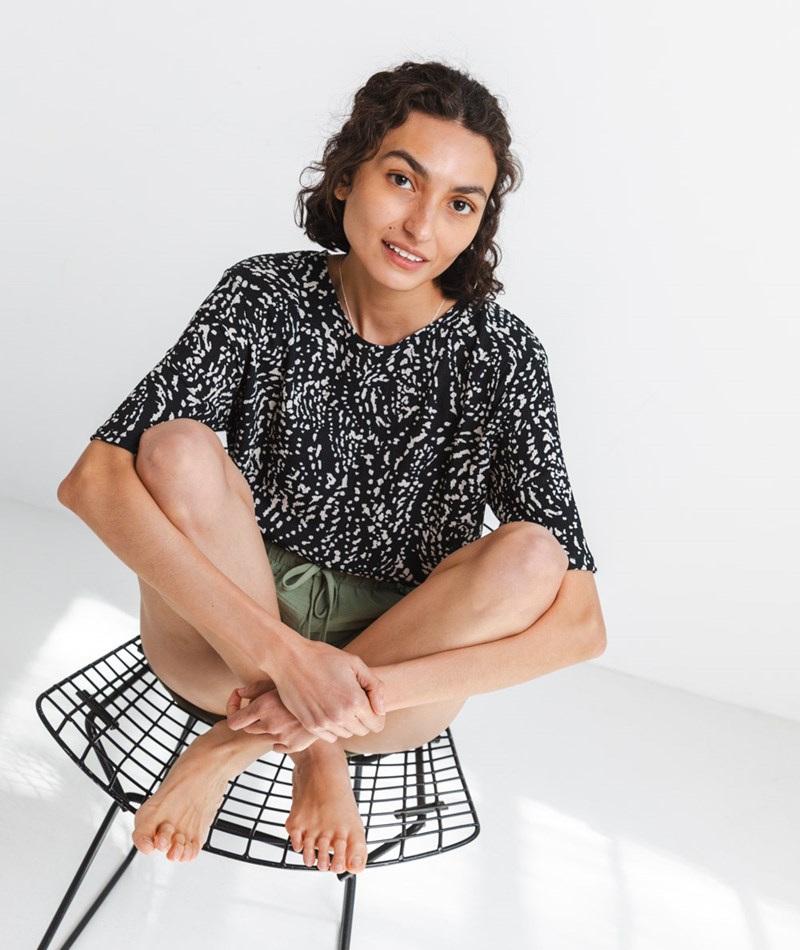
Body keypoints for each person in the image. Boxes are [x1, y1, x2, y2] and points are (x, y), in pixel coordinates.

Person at [58, 61, 605, 877]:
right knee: (174, 448)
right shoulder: (264, 294)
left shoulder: (503, 355)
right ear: (347, 176)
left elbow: (581, 627)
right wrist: (287, 659)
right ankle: (317, 756)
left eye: (460, 204)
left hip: (393, 680)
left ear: (479, 224)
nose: (421, 224)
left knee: (534, 553)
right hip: (228, 638)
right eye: (401, 179)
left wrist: (349, 692)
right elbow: (91, 482)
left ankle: (230, 750)